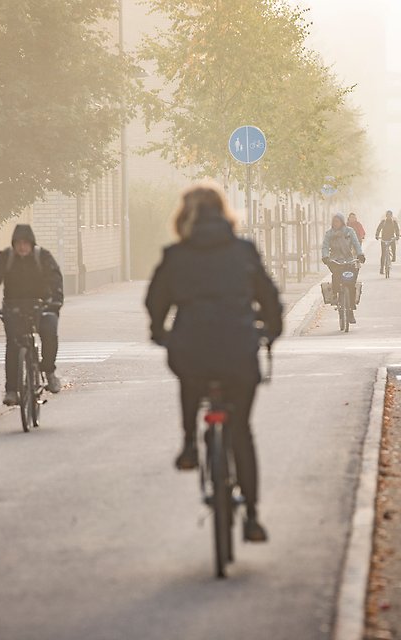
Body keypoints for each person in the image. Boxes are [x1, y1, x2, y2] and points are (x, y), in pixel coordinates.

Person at [145, 181, 282, 543]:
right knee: (241, 431)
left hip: (191, 347)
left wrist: (159, 332)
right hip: (239, 349)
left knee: (191, 375)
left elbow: (155, 299)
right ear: (224, 213)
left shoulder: (177, 255)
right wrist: (271, 330)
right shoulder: (243, 251)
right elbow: (269, 296)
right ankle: (252, 517)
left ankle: (190, 444)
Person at [0, 224, 64, 404]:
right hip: (14, 307)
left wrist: (56, 301)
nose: (22, 247)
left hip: (41, 305)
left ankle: (49, 371)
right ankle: (11, 390)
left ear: (32, 243)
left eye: (25, 243)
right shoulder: (5, 258)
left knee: (50, 332)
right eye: (18, 243)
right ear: (13, 244)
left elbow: (55, 277)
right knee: (13, 345)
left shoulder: (42, 256)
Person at [322, 213, 365, 324]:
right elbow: (325, 246)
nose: (336, 224)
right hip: (335, 261)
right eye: (334, 222)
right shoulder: (329, 234)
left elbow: (356, 243)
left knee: (351, 284)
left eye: (338, 221)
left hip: (349, 260)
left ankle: (350, 309)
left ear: (342, 222)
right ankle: (336, 295)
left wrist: (360, 254)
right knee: (336, 277)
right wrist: (325, 257)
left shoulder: (349, 231)